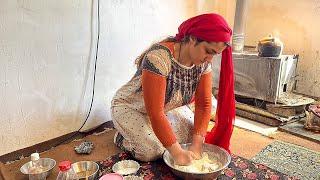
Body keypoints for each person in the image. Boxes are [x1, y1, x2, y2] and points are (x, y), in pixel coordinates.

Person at [111, 13, 235, 166]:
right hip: (130, 107)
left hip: (165, 109)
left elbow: (203, 104)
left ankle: (145, 133)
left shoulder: (203, 64)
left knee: (193, 138)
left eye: (215, 54)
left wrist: (196, 145)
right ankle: (122, 137)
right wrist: (177, 154)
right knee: (152, 150)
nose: (210, 59)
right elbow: (155, 113)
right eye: (208, 51)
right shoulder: (158, 58)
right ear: (192, 39)